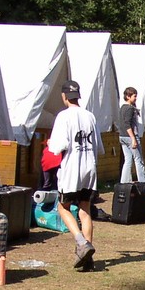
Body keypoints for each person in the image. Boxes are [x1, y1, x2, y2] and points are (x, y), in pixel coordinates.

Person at [48, 80, 102, 271]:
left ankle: (82, 243)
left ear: (64, 96)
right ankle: (88, 259)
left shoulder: (63, 116)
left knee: (63, 207)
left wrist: (50, 143)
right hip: (89, 167)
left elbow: (58, 146)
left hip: (72, 168)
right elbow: (98, 145)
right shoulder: (90, 116)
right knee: (85, 209)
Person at [118, 87, 145, 185]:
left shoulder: (122, 108)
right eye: (134, 96)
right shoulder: (130, 109)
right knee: (138, 160)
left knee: (128, 159)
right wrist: (133, 139)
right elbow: (127, 124)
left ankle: (124, 182)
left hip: (122, 136)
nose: (136, 98)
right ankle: (143, 182)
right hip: (130, 137)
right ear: (128, 96)